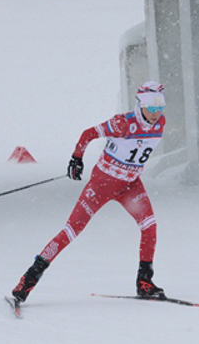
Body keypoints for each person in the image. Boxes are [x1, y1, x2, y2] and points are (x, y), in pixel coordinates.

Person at [12, 81, 168, 303]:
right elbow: (88, 134)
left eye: (160, 107)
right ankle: (27, 281)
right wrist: (77, 158)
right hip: (101, 185)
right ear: (140, 105)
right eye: (151, 107)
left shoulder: (160, 122)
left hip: (130, 185)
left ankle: (144, 282)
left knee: (149, 226)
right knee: (70, 231)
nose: (156, 113)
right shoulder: (121, 123)